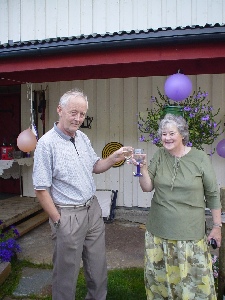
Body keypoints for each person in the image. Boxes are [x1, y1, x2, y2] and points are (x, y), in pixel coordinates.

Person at [32, 88, 127, 300]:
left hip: (92, 210)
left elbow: (95, 165)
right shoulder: (46, 145)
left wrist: (114, 158)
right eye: (73, 112)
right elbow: (40, 189)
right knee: (66, 273)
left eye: (82, 114)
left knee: (97, 266)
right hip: (67, 214)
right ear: (59, 110)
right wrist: (58, 220)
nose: (78, 118)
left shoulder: (82, 137)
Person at [136, 113, 222, 299]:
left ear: (182, 134)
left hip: (189, 235)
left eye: (171, 133)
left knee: (195, 286)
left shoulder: (199, 158)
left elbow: (213, 194)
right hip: (158, 233)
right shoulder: (159, 155)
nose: (167, 138)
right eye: (164, 134)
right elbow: (147, 187)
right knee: (160, 283)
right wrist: (142, 168)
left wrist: (217, 226)